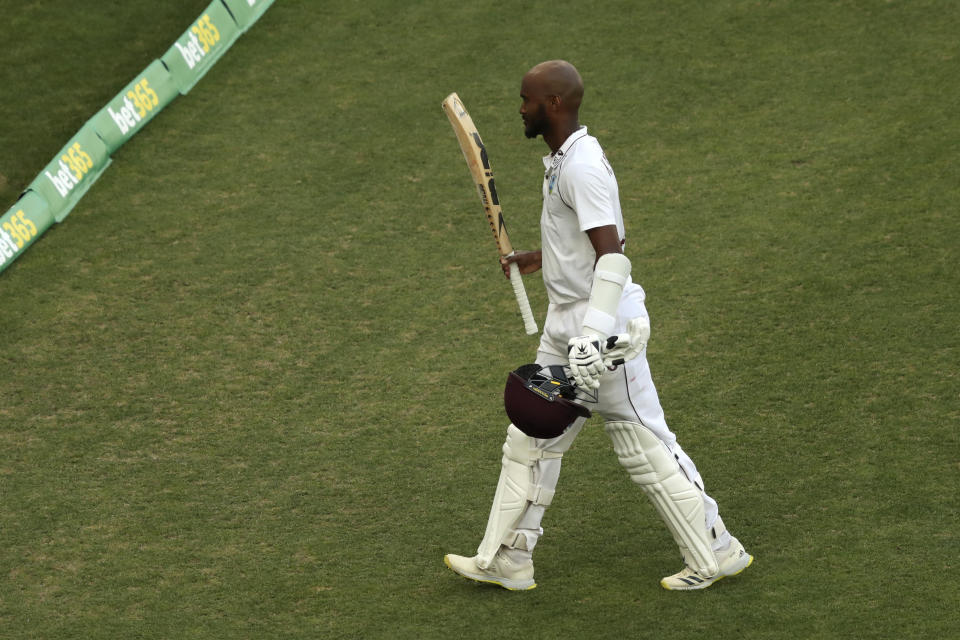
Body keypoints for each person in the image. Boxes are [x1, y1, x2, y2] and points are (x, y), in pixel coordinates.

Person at [443, 60, 753, 591]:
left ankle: (717, 551)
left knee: (642, 443)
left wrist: (594, 334)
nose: (520, 108)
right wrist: (544, 257)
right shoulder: (562, 159)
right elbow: (585, 242)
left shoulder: (581, 165)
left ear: (554, 105)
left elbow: (613, 256)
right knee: (532, 436)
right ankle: (509, 559)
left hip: (602, 330)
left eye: (527, 100)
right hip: (564, 324)